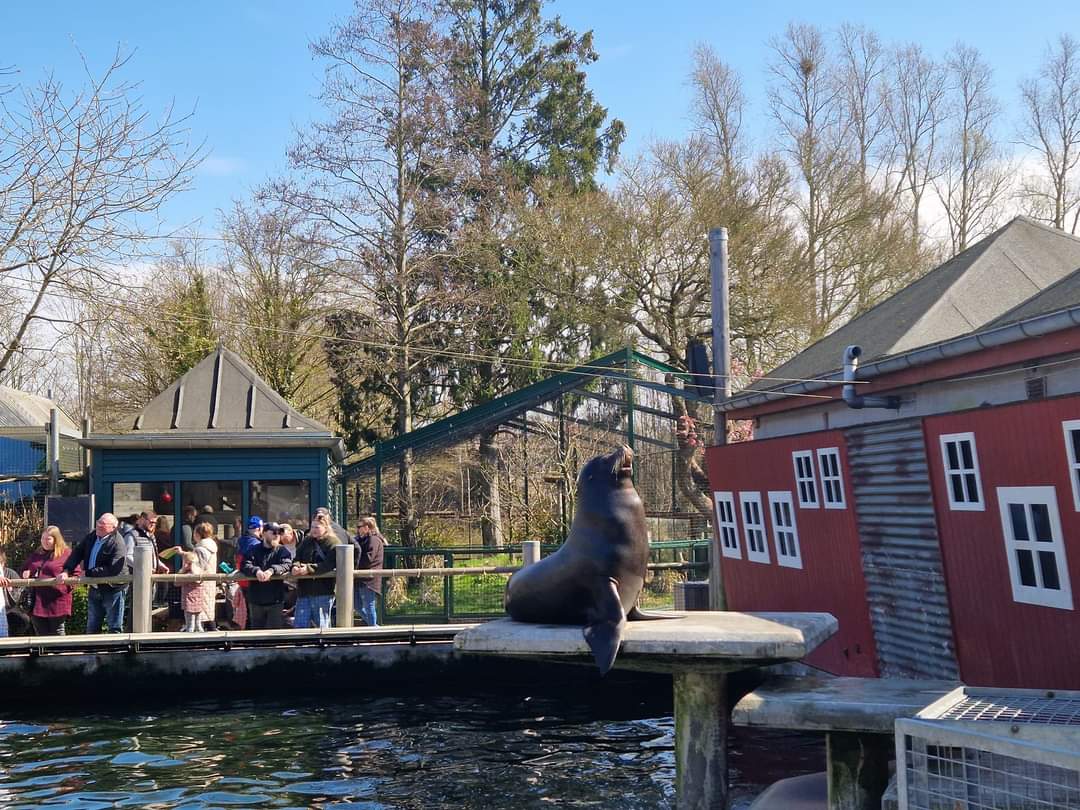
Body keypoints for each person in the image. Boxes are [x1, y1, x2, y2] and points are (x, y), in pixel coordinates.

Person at [60, 513, 129, 633]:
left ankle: (116, 651)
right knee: (92, 625)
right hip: (95, 587)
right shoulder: (92, 535)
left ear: (113, 528)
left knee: (114, 626)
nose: (99, 526)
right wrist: (67, 570)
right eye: (98, 522)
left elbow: (113, 569)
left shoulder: (118, 542)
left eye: (103, 525)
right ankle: (92, 651)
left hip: (113, 588)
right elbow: (78, 552)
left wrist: (88, 573)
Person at [20, 526, 74, 636]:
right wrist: (26, 573)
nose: (44, 542)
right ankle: (43, 653)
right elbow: (25, 569)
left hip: (57, 600)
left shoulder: (66, 553)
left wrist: (66, 576)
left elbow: (76, 573)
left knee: (57, 632)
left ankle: (58, 653)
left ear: (56, 539)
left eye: (48, 539)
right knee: (40, 633)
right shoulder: (37, 554)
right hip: (37, 601)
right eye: (42, 538)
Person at [291, 512, 341, 629]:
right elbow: (297, 557)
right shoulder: (307, 541)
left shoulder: (333, 543)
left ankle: (324, 646)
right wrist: (295, 566)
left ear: (325, 527)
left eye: (317, 527)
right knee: (300, 625)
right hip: (304, 590)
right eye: (312, 527)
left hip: (323, 590)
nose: (313, 530)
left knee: (322, 627)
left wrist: (308, 569)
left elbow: (328, 564)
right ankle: (300, 647)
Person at [241, 522, 293, 629]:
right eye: (273, 532)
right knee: (256, 634)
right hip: (256, 599)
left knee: (273, 635)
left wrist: (272, 570)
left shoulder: (282, 550)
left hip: (275, 600)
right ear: (263, 533)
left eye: (278, 533)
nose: (276, 535)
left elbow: (287, 564)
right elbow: (245, 564)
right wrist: (257, 571)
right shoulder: (253, 549)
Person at [180, 522, 218, 632]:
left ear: (197, 534)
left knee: (198, 616)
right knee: (208, 613)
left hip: (199, 586)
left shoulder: (200, 549)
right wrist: (183, 553)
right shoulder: (211, 547)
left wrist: (184, 568)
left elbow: (196, 568)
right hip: (209, 584)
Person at [353, 517, 385, 627]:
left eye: (359, 527)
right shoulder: (362, 539)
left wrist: (354, 563)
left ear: (367, 528)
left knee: (368, 605)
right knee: (357, 604)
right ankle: (374, 626)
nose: (357, 529)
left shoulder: (374, 540)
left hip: (369, 579)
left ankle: (373, 629)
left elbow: (368, 559)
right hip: (359, 577)